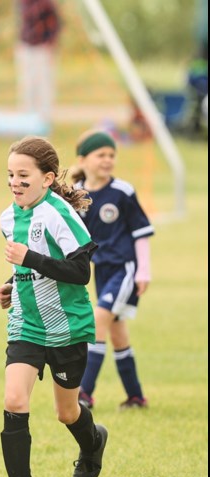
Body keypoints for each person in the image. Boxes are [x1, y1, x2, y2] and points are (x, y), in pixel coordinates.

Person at [0, 135, 108, 477]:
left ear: (47, 178)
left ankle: (92, 442)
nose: (15, 182)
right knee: (14, 400)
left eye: (24, 175)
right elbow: (25, 266)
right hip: (25, 325)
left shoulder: (59, 214)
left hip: (67, 327)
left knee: (66, 412)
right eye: (10, 174)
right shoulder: (8, 217)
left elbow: (79, 272)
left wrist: (31, 258)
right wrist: (11, 285)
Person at [70, 131, 154, 411]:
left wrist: (144, 271)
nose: (107, 160)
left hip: (125, 268)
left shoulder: (122, 192)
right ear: (83, 160)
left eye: (111, 155)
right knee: (117, 333)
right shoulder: (76, 195)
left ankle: (84, 393)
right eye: (100, 155)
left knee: (97, 321)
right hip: (100, 271)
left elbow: (141, 232)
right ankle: (135, 397)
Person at [16, 0, 60, 123]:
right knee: (27, 82)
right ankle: (27, 115)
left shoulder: (46, 3)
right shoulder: (23, 3)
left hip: (42, 47)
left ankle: (44, 118)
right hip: (26, 45)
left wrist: (50, 42)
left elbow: (55, 22)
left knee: (44, 83)